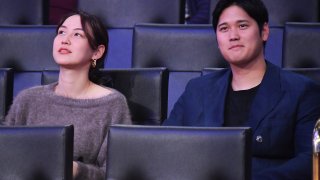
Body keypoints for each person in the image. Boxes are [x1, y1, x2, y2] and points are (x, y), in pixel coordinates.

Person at [163, 0, 320, 179]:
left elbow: (310, 160)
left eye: (243, 25)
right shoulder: (197, 90)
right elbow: (166, 145)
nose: (233, 35)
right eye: (224, 29)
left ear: (264, 31)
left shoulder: (301, 91)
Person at [2, 11, 132, 180]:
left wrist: (77, 170)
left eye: (77, 34)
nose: (65, 39)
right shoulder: (27, 99)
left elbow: (115, 173)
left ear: (97, 53)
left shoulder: (113, 104)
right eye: (61, 32)